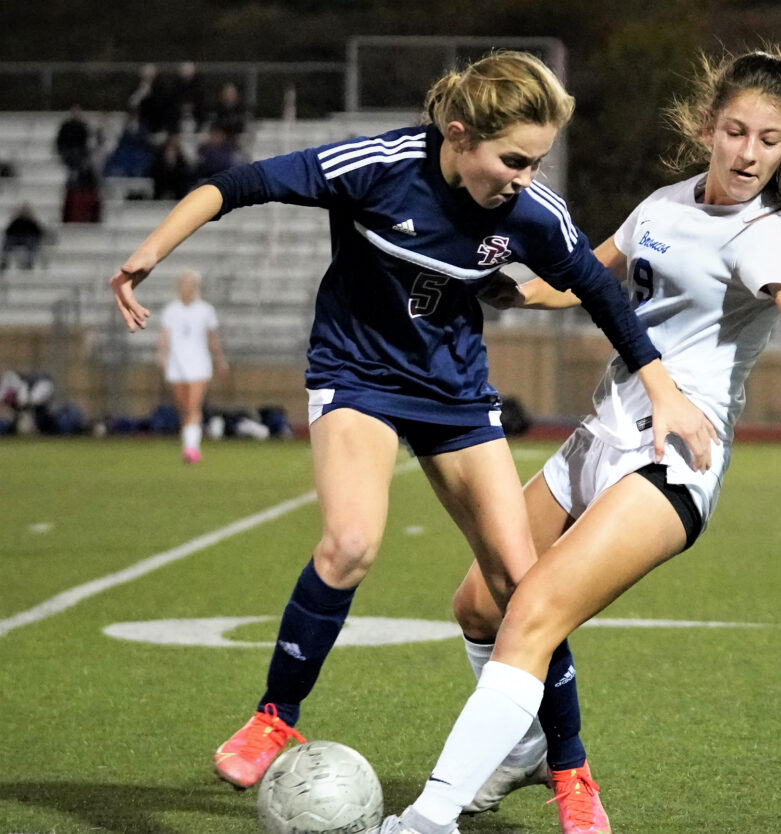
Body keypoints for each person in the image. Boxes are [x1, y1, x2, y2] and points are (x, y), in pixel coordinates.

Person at [313, 46, 781, 834]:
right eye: (735, 132)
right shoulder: (663, 205)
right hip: (597, 438)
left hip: (672, 463)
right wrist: (511, 287)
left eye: (769, 140)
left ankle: (426, 828)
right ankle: (526, 750)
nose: (749, 153)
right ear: (709, 128)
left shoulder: (768, 238)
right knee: (477, 604)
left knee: (532, 612)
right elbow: (587, 280)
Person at [109, 51, 700, 789]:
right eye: (513, 159)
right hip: (355, 375)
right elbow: (237, 185)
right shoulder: (379, 164)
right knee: (351, 543)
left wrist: (663, 390)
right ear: (458, 135)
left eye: (537, 162)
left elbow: (603, 296)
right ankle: (274, 716)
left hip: (454, 392)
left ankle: (570, 769)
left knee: (522, 583)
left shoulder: (533, 211)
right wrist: (148, 254)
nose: (525, 177)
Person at [157, 269, 227, 463]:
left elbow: (213, 338)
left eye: (190, 285)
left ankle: (191, 448)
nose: (187, 289)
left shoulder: (206, 310)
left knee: (194, 406)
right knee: (184, 407)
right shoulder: (171, 310)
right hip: (177, 363)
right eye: (184, 285)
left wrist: (219, 359)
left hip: (199, 363)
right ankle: (188, 444)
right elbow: (165, 337)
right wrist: (162, 356)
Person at [1, 204, 46, 271]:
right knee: (7, 243)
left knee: (32, 244)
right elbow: (8, 231)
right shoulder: (16, 221)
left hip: (28, 239)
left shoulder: (32, 222)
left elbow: (39, 232)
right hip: (16, 238)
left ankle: (29, 263)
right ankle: (4, 262)